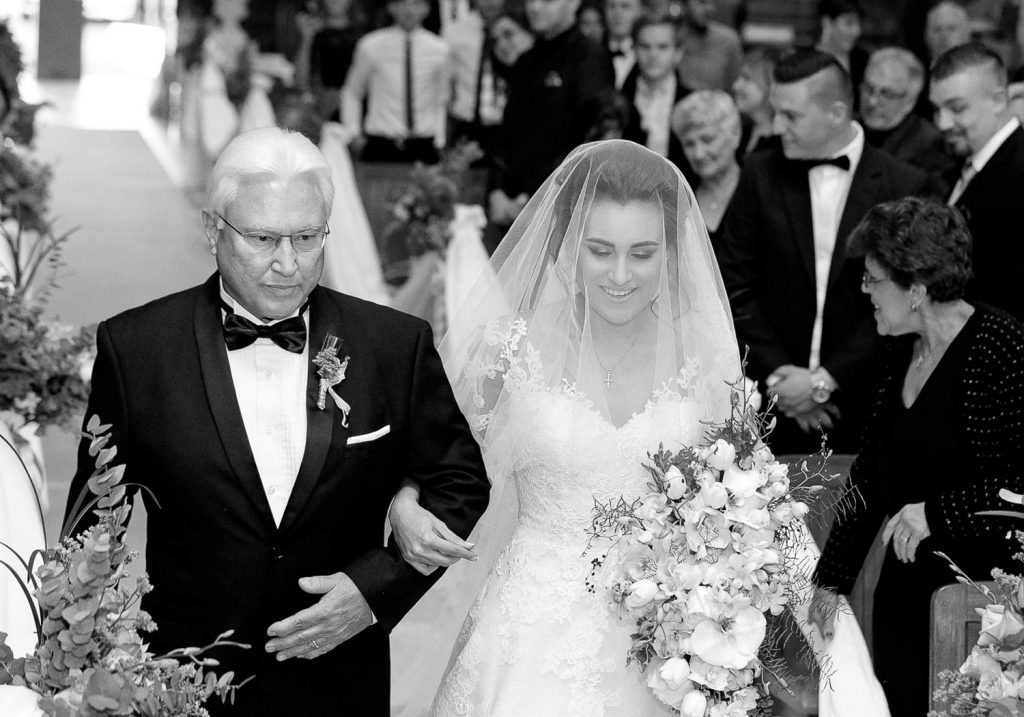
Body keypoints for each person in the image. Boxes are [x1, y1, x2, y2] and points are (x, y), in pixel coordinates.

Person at [62, 127, 491, 716]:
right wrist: (91, 665)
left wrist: (374, 591)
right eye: (262, 238)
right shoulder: (136, 350)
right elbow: (91, 527)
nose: (287, 264)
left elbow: (460, 480)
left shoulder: (393, 345)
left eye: (307, 238)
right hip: (183, 683)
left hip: (340, 682)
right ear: (214, 230)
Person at [390, 139, 744, 714]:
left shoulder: (706, 363)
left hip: (667, 639)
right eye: (599, 250)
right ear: (567, 247)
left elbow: (744, 498)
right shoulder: (508, 350)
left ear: (673, 253)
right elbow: (426, 452)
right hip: (528, 627)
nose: (621, 275)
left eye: (644, 253)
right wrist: (404, 499)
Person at [809, 196, 1024, 717]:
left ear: (917, 289)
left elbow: (1020, 483)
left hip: (985, 606)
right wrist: (830, 581)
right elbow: (871, 475)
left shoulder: (1002, 348)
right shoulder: (899, 348)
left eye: (874, 279)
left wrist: (934, 513)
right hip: (905, 597)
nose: (865, 291)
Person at [717, 49, 928, 455]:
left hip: (865, 404)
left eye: (791, 116)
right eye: (775, 113)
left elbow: (904, 299)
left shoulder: (904, 184)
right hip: (770, 404)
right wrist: (784, 380)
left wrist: (826, 380)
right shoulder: (760, 173)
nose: (778, 127)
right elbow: (734, 283)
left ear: (835, 112)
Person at [488, 0, 615, 236]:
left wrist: (532, 197)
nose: (535, 7)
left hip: (565, 211)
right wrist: (496, 191)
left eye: (547, 0)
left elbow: (588, 143)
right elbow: (506, 133)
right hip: (512, 213)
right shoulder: (525, 61)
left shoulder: (590, 57)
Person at [931, 42, 1024, 319]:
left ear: (998, 100)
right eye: (936, 109)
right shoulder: (958, 165)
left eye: (957, 108)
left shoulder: (1019, 171)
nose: (943, 123)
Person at [341, 0, 453, 163]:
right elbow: (352, 91)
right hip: (380, 143)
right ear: (390, 7)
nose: (409, 9)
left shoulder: (440, 49)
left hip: (424, 145)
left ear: (427, 9)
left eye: (416, 3)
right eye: (402, 3)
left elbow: (442, 98)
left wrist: (441, 139)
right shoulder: (371, 45)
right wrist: (353, 132)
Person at [860, 46, 955, 193]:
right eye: (868, 88)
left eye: (886, 94)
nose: (872, 101)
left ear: (909, 101)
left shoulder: (928, 144)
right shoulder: (850, 128)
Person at [621, 13, 693, 176]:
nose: (653, 54)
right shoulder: (620, 98)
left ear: (678, 52)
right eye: (645, 46)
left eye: (662, 47)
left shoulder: (692, 101)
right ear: (634, 49)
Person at [670, 89, 742, 246]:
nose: (699, 154)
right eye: (689, 144)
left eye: (707, 139)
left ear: (735, 135)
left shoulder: (758, 194)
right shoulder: (678, 200)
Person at [445, 0, 507, 151]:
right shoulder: (454, 31)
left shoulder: (518, 30)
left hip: (505, 125)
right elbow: (445, 80)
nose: (491, 3)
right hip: (465, 124)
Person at [293, 0, 363, 122]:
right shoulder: (314, 33)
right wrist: (306, 38)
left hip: (357, 110)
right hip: (321, 112)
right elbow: (300, 82)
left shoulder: (365, 35)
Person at [676, 0, 742, 92]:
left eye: (713, 3)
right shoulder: (672, 38)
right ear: (685, 5)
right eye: (701, 2)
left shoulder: (729, 41)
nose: (709, 9)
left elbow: (735, 87)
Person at [732, 46, 782, 159]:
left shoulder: (784, 143)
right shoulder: (738, 133)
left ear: (769, 86)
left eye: (746, 78)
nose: (735, 86)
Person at [816, 0, 868, 104]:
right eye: (849, 23)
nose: (857, 31)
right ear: (827, 23)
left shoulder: (863, 61)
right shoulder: (806, 60)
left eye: (859, 24)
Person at [604, 0, 642, 87]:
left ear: (640, 11)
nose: (617, 13)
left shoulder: (648, 52)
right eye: (611, 6)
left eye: (625, 6)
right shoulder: (590, 53)